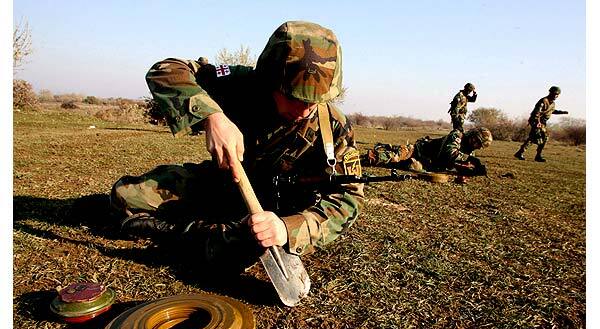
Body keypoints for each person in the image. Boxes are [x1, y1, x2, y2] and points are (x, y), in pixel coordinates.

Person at [109, 21, 364, 268]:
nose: (305, 109)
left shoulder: (334, 128)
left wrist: (288, 229)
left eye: (316, 100)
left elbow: (347, 198)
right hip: (225, 185)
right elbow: (166, 70)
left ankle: (192, 236)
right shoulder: (240, 83)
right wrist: (212, 116)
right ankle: (196, 232)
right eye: (293, 97)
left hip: (276, 212)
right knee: (126, 194)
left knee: (239, 248)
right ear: (269, 80)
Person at [363, 127, 493, 176]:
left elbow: (457, 167)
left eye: (479, 144)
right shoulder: (457, 135)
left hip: (426, 165)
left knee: (406, 166)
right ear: (472, 134)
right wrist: (468, 162)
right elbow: (449, 154)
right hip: (417, 151)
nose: (475, 145)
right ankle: (362, 159)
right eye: (476, 140)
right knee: (393, 157)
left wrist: (470, 170)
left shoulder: (469, 153)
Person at [514, 86, 568, 162]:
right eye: (555, 94)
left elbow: (551, 111)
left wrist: (561, 112)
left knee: (533, 138)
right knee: (543, 137)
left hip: (542, 122)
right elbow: (537, 112)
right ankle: (537, 156)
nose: (556, 96)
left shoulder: (552, 103)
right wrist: (538, 122)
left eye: (557, 94)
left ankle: (521, 153)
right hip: (537, 121)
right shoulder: (544, 101)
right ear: (550, 93)